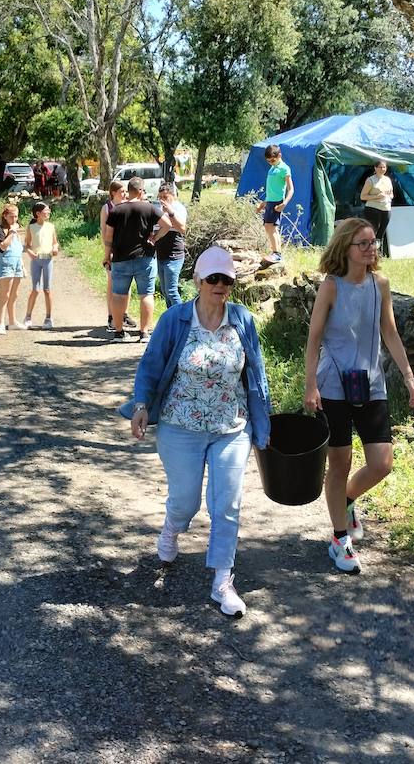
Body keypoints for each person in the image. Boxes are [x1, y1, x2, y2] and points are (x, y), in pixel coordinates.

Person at [126, 244, 273, 617]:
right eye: (213, 279)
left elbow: (256, 375)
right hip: (181, 426)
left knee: (227, 505)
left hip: (231, 427)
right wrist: (142, 406)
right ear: (198, 280)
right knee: (186, 501)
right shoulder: (175, 319)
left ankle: (222, 581)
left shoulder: (242, 320)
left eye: (226, 279)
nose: (220, 285)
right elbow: (151, 365)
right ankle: (173, 528)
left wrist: (262, 423)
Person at [302, 217, 414, 575]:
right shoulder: (331, 287)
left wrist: (409, 377)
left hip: (370, 385)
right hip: (333, 387)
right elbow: (314, 339)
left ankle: (347, 501)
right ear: (346, 249)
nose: (372, 249)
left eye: (374, 242)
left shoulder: (380, 284)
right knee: (339, 464)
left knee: (382, 463)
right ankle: (340, 539)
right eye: (364, 244)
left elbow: (390, 332)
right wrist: (310, 385)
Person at [106, 177, 163, 343]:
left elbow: (108, 236)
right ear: (140, 190)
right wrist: (155, 237)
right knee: (146, 294)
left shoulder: (116, 210)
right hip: (144, 257)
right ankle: (144, 333)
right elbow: (167, 224)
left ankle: (118, 332)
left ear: (129, 190)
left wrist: (106, 255)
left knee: (118, 295)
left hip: (120, 258)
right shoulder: (149, 208)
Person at [99, 180, 131, 331]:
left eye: (125, 192)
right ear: (113, 193)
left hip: (127, 250)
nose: (124, 194)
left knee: (127, 284)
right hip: (113, 250)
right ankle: (111, 315)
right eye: (121, 192)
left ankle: (124, 313)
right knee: (112, 284)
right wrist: (108, 253)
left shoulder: (128, 205)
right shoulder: (107, 208)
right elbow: (104, 231)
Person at [151, 182, 189, 309]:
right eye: (160, 197)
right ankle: (171, 319)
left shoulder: (178, 208)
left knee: (172, 291)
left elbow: (182, 228)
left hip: (174, 255)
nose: (162, 200)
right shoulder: (158, 210)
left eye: (165, 197)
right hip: (160, 254)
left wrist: (171, 213)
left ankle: (183, 318)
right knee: (165, 291)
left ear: (173, 196)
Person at [23, 201, 59, 329]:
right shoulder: (31, 227)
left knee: (47, 289)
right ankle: (28, 317)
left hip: (48, 259)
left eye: (49, 210)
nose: (48, 212)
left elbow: (55, 242)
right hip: (36, 260)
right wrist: (30, 252)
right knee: (35, 289)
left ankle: (48, 318)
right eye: (46, 210)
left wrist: (55, 249)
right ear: (38, 214)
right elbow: (27, 245)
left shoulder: (51, 226)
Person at [255, 144, 293, 264]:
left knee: (270, 226)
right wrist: (264, 203)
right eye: (268, 161)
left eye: (272, 160)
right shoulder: (272, 169)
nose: (271, 163)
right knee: (270, 227)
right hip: (270, 202)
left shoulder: (284, 168)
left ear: (279, 155)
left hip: (277, 202)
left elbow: (291, 189)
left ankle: (277, 254)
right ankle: (276, 253)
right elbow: (272, 189)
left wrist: (285, 203)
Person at [0, 203, 26, 334]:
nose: (14, 220)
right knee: (4, 295)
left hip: (17, 263)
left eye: (16, 217)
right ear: (5, 216)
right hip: (6, 264)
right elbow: (3, 246)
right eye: (11, 217)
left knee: (14, 294)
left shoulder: (17, 230)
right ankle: (1, 323)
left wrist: (22, 265)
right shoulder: (0, 230)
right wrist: (11, 232)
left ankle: (12, 322)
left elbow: (19, 248)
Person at [360, 159, 395, 252]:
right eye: (380, 167)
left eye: (384, 167)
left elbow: (391, 195)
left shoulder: (388, 180)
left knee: (381, 232)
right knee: (372, 231)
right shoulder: (370, 180)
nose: (382, 169)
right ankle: (369, 252)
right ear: (375, 168)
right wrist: (377, 196)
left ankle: (379, 253)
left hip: (386, 208)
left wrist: (388, 196)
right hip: (373, 208)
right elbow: (363, 196)